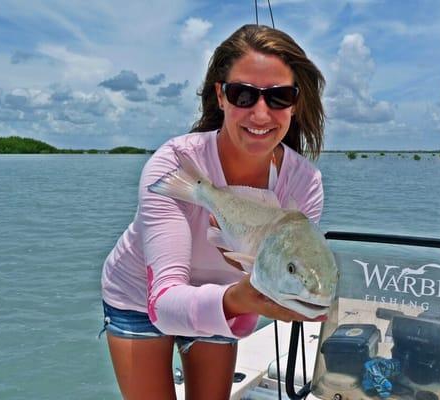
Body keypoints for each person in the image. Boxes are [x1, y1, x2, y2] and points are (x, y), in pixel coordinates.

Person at [100, 24, 326, 400]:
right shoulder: (176, 164)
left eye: (278, 97)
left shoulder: (304, 184)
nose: (260, 113)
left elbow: (286, 269)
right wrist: (242, 298)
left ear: (295, 103)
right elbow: (165, 301)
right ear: (220, 96)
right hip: (139, 295)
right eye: (243, 95)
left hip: (227, 295)